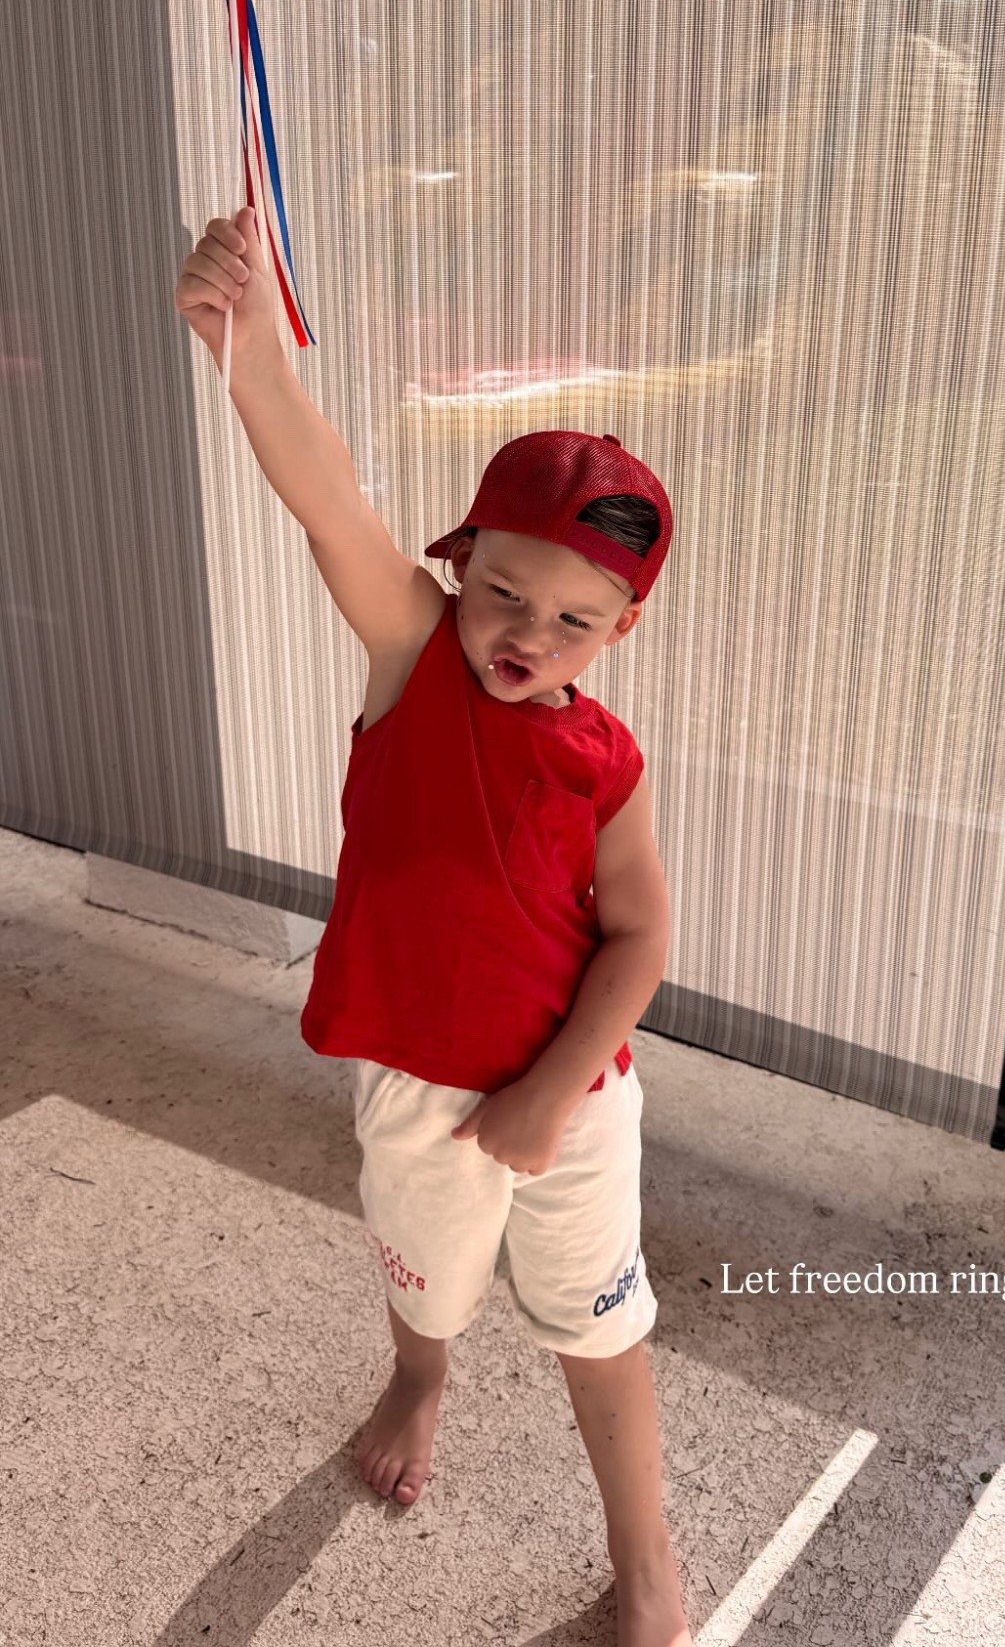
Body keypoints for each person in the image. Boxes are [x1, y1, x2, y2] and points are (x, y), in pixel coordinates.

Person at [175, 207, 693, 1647]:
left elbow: (640, 939)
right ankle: (420, 1376)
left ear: (619, 630)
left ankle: (646, 1567)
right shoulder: (414, 662)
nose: (524, 634)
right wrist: (249, 351)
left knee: (602, 1327)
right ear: (458, 567)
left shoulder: (611, 761)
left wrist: (543, 1089)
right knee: (428, 1277)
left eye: (573, 619)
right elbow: (328, 497)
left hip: (570, 1102)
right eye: (503, 593)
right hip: (414, 1085)